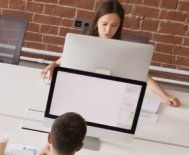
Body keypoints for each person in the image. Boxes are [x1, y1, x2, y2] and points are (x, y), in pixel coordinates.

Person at [40, 0, 181, 107]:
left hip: (110, 96)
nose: (108, 30)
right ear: (96, 23)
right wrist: (53, 64)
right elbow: (67, 58)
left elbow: (145, 76)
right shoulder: (85, 43)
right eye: (104, 24)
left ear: (119, 26)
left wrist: (165, 96)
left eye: (114, 25)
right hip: (84, 93)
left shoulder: (122, 49)